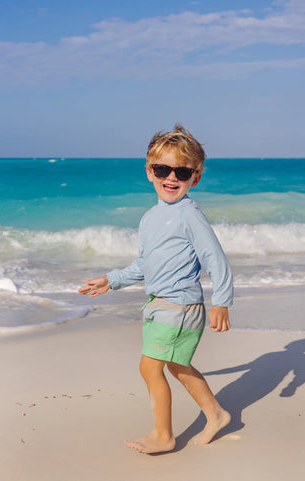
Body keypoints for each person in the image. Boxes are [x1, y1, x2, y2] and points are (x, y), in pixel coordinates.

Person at [78, 125, 233, 454]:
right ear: (150, 172)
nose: (172, 177)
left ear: (196, 176)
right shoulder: (151, 218)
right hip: (159, 303)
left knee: (150, 366)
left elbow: (215, 259)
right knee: (177, 366)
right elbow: (145, 264)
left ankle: (163, 435)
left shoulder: (189, 214)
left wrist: (221, 301)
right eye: (163, 169)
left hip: (180, 306)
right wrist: (112, 280)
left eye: (182, 171)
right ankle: (216, 414)